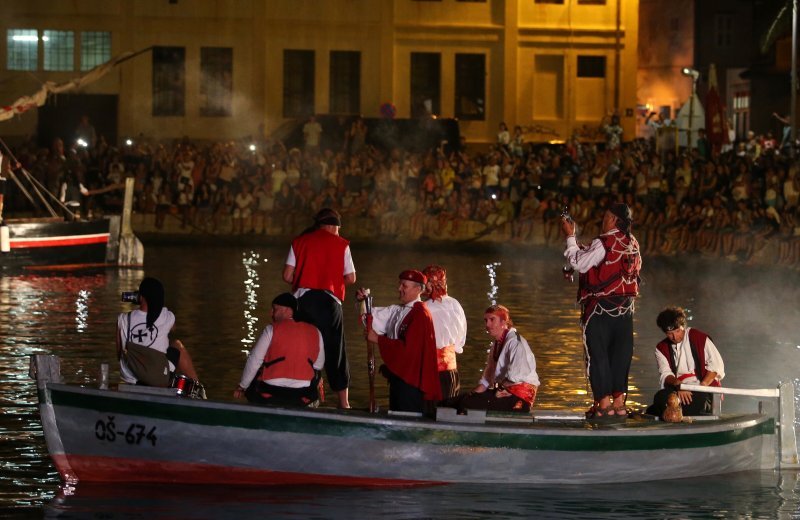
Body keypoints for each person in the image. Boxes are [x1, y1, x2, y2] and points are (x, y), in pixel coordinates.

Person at [561, 202, 642, 419]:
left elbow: (579, 262)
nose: (602, 220)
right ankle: (619, 405)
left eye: (606, 216)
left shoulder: (604, 242)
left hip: (600, 311)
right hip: (625, 312)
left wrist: (570, 237)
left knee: (599, 357)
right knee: (620, 356)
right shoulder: (633, 243)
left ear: (615, 219)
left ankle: (604, 406)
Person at [283, 208, 356, 408]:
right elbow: (351, 278)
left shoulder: (299, 242)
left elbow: (288, 276)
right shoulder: (342, 245)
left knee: (304, 348)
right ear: (334, 226)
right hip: (329, 303)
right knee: (336, 350)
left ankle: (302, 396)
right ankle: (344, 403)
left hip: (303, 302)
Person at [359, 270, 442, 413]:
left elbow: (409, 351)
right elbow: (371, 319)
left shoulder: (420, 315)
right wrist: (363, 301)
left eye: (404, 286)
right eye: (400, 285)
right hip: (399, 376)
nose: (399, 289)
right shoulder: (398, 310)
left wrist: (378, 339)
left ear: (417, 289)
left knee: (406, 418)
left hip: (410, 381)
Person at [234, 293, 325, 407]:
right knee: (317, 376)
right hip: (302, 395)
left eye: (275, 309)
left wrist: (242, 386)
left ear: (288, 310)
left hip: (270, 393)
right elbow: (318, 365)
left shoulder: (271, 329)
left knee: (254, 373)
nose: (271, 313)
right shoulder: (316, 332)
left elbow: (254, 360)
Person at [116, 277, 201, 388]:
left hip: (131, 377)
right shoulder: (166, 316)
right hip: (158, 377)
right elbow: (173, 329)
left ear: (140, 297)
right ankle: (198, 387)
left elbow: (119, 354)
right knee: (176, 345)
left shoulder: (123, 319)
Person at [456, 304, 540, 413]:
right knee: (460, 400)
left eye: (492, 319)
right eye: (486, 320)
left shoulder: (515, 343)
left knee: (467, 404)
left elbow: (516, 377)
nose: (487, 324)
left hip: (520, 399)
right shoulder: (496, 345)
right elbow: (486, 381)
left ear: (503, 322)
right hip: (504, 392)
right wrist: (472, 395)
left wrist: (496, 391)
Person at [645, 307, 724, 417]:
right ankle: (670, 413)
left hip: (702, 387)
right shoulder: (661, 348)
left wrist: (701, 386)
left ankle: (665, 412)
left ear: (683, 327)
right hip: (678, 388)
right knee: (660, 397)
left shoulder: (699, 337)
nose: (675, 337)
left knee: (696, 401)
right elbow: (665, 374)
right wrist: (679, 385)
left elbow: (716, 365)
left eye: (677, 331)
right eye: (669, 333)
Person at [421, 264, 467, 401]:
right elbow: (460, 344)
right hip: (452, 372)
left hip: (432, 372)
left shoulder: (424, 308)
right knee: (449, 411)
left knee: (430, 412)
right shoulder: (456, 304)